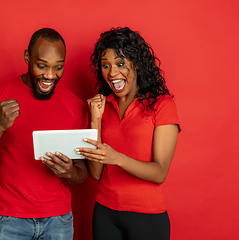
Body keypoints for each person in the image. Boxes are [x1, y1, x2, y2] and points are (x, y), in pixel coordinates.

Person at [0, 28, 88, 240]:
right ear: (27, 57)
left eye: (58, 67)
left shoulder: (75, 106)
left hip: (58, 221)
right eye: (42, 66)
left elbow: (82, 174)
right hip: (8, 220)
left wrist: (69, 172)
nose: (50, 75)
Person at [76, 27, 181, 240]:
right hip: (105, 213)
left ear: (137, 63)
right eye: (105, 65)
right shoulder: (103, 106)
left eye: (120, 63)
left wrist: (117, 158)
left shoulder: (162, 105)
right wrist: (95, 119)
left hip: (147, 217)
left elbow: (160, 172)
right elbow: (95, 173)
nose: (112, 73)